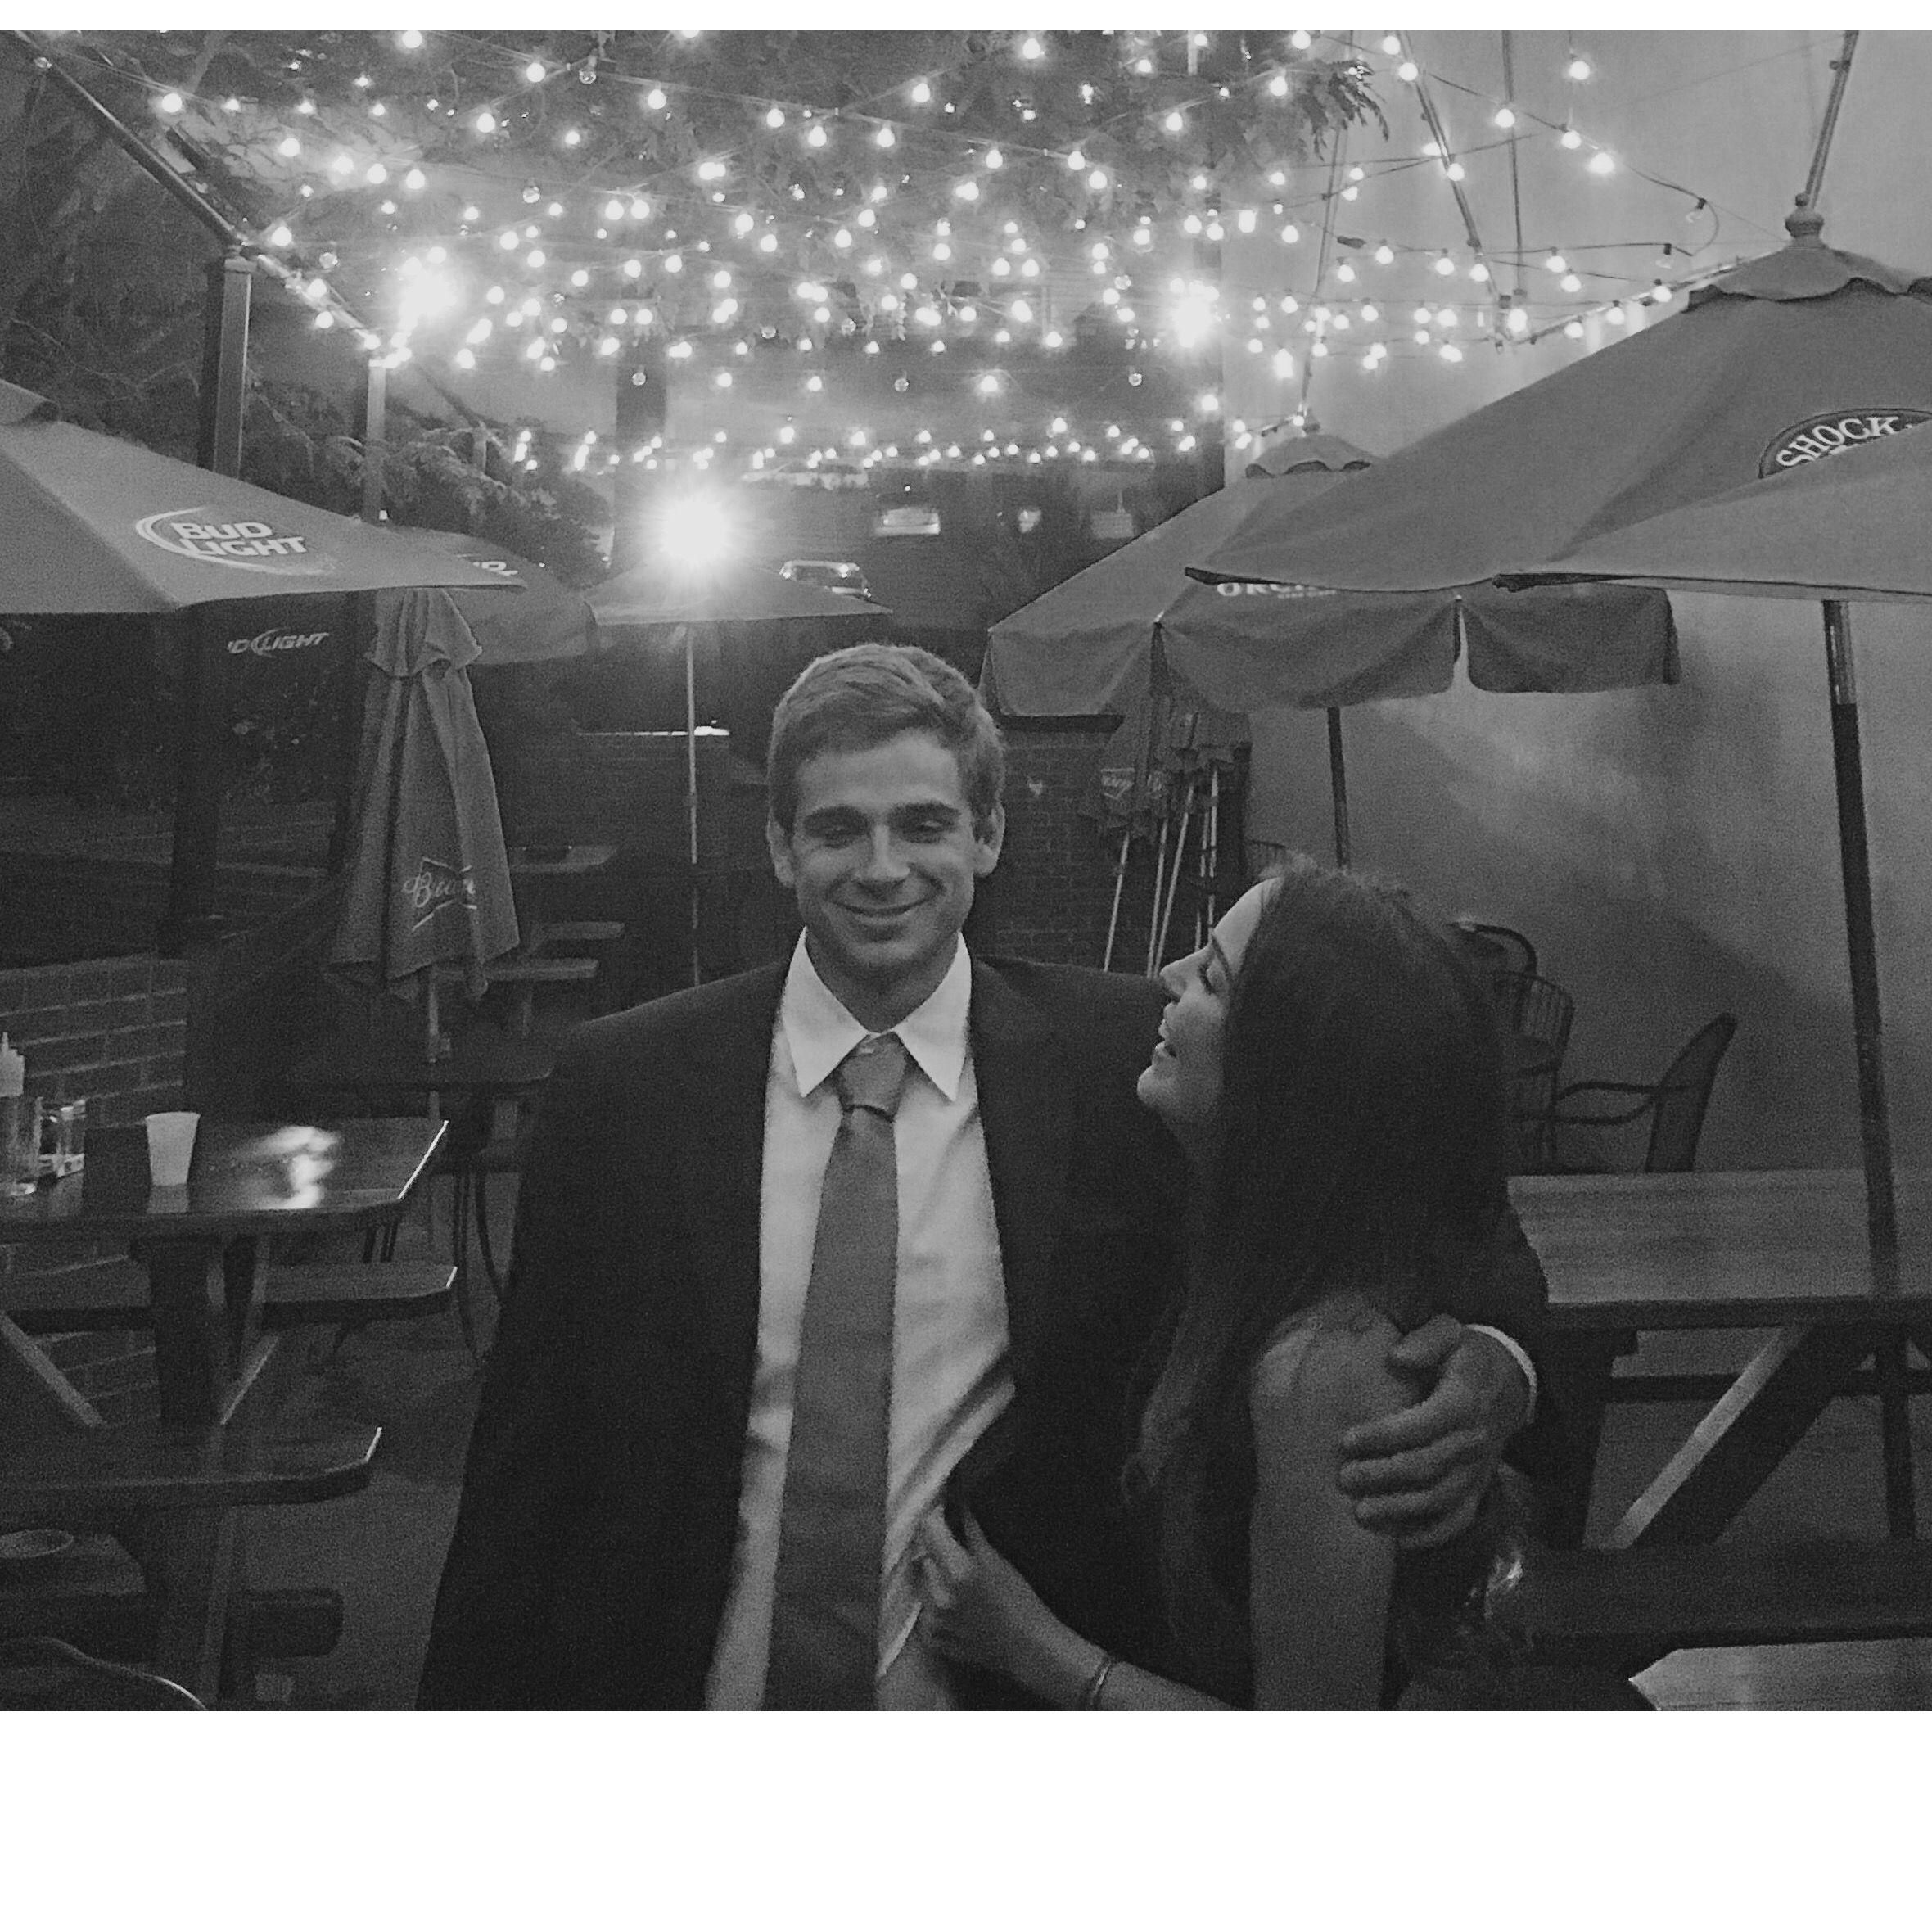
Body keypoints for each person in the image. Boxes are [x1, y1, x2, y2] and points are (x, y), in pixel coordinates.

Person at [418, 644, 1548, 1708]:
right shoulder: (626, 1087)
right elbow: (526, 1457)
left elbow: (1397, 1174)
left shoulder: (1131, 1060)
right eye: (838, 829)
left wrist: (1498, 1357)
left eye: (924, 824)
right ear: (779, 847)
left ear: (990, 833)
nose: (882, 869)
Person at [917, 869, 1533, 1708]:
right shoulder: (1252, 1234)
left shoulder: (1321, 1369)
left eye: (1209, 974)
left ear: (1282, 1069)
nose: (1164, 978)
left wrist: (1034, 1647)